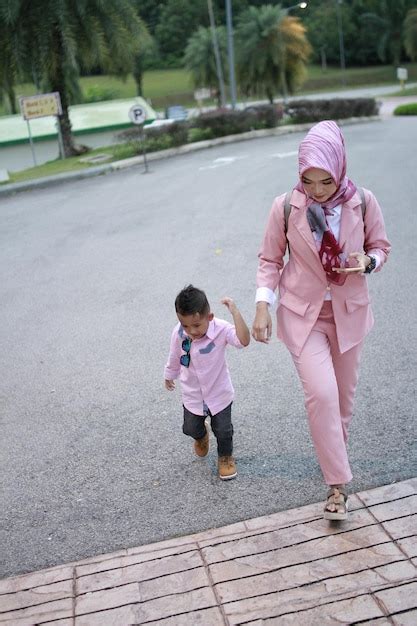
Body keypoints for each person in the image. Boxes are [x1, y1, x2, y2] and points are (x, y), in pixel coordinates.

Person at [252, 120, 391, 520]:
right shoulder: (285, 207)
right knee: (323, 395)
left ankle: (331, 458)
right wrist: (263, 305)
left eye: (325, 182)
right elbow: (269, 259)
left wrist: (369, 261)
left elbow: (381, 247)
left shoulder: (363, 201)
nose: (316, 191)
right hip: (303, 315)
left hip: (349, 314)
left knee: (342, 403)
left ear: (340, 167)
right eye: (308, 181)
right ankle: (337, 487)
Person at [164, 285, 250, 480]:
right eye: (185, 325)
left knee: (224, 430)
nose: (191, 331)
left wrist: (235, 312)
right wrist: (169, 374)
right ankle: (201, 435)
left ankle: (225, 457)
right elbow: (174, 355)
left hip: (219, 394)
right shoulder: (179, 333)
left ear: (209, 317)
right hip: (193, 395)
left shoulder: (221, 329)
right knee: (190, 428)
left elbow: (243, 340)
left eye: (196, 326)